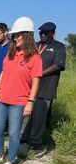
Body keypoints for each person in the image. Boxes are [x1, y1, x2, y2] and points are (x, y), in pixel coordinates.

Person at [0, 17, 42, 164]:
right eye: (14, 35)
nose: (15, 37)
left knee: (14, 133)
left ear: (28, 35)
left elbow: (36, 82)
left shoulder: (35, 58)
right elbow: (3, 72)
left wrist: (30, 102)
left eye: (18, 35)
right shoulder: (11, 53)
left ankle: (10, 161)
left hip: (19, 101)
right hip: (2, 98)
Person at [21, 22, 66, 157]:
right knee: (27, 116)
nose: (43, 35)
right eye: (41, 33)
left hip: (46, 88)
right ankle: (24, 140)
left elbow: (58, 65)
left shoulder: (59, 47)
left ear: (52, 33)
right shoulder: (35, 45)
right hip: (30, 87)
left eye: (46, 33)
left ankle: (36, 145)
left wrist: (39, 73)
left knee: (40, 117)